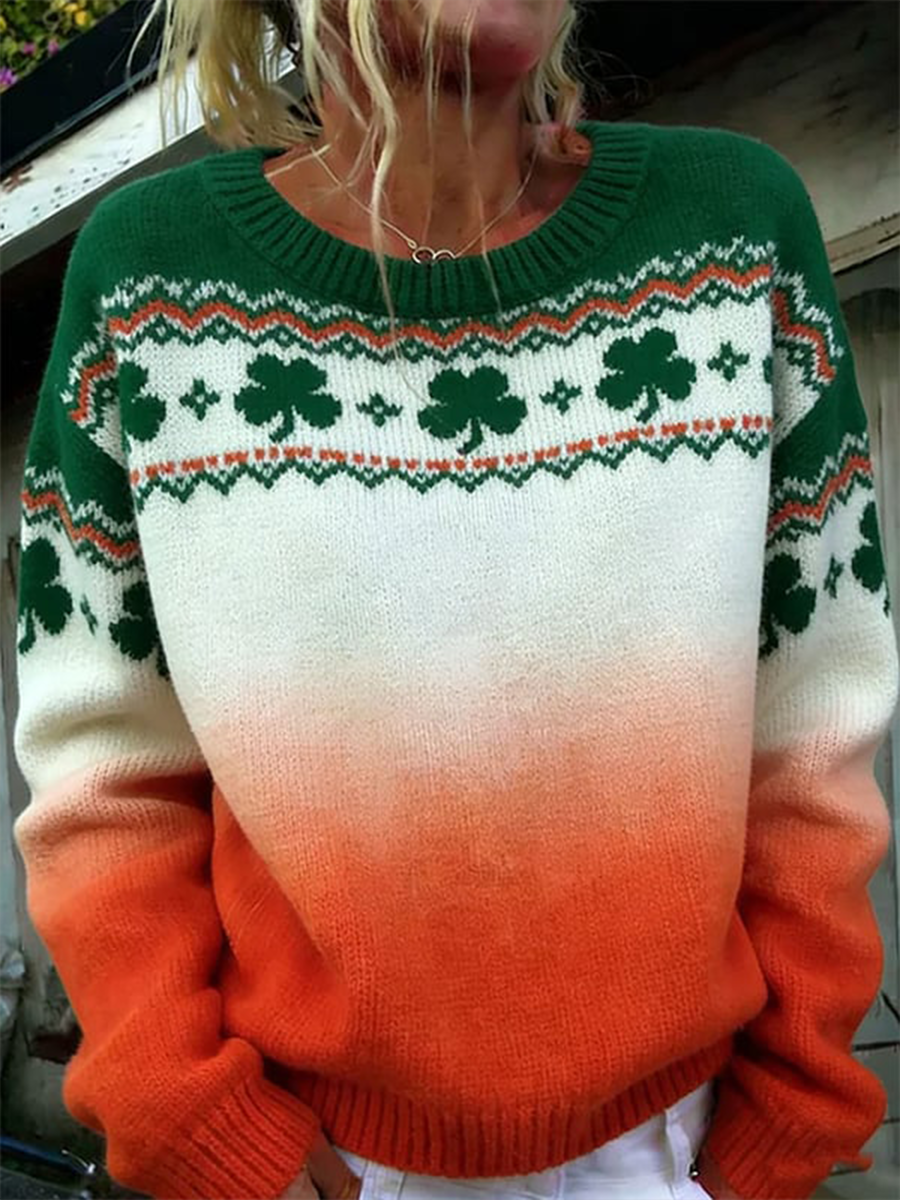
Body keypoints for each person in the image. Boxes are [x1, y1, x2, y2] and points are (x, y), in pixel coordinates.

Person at [11, 1, 898, 1198]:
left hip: (682, 1147)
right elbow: (105, 775)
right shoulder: (150, 283)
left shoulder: (734, 234)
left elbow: (815, 727)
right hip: (317, 1156)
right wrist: (184, 1109)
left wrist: (794, 1101)